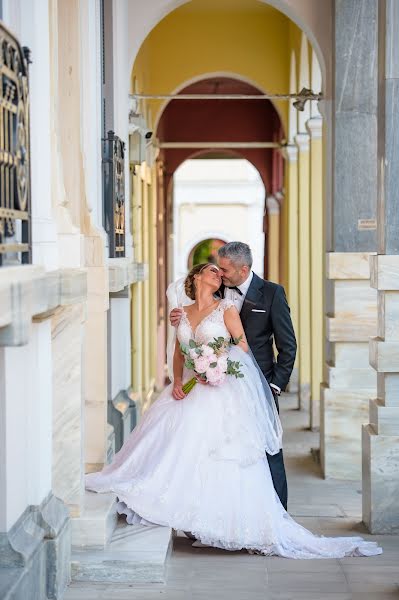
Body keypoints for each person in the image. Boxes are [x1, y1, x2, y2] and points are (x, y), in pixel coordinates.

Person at [86, 262, 381, 558]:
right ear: (197, 277)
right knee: (186, 451)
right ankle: (192, 515)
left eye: (221, 270)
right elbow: (178, 353)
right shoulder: (183, 313)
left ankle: (225, 524)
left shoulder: (225, 307)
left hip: (221, 390)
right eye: (212, 270)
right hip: (189, 388)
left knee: (221, 455)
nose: (219, 274)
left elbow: (241, 345)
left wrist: (215, 362)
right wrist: (178, 380)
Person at [170, 242, 296, 510]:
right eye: (218, 268)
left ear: (244, 269)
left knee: (267, 449)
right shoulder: (218, 289)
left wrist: (274, 384)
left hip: (258, 384)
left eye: (225, 269)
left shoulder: (272, 293)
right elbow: (195, 316)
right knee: (221, 451)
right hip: (217, 388)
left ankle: (278, 516)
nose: (221, 274)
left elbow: (288, 345)